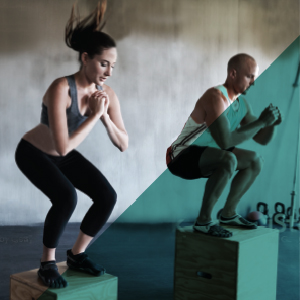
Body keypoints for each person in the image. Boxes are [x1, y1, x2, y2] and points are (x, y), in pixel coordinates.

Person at [15, 0, 128, 288]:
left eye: (113, 66)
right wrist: (94, 116)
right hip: (33, 152)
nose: (109, 72)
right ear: (86, 58)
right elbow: (63, 146)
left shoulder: (108, 94)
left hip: (63, 154)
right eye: (104, 63)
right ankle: (47, 263)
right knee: (66, 197)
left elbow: (123, 143)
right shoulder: (61, 88)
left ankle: (77, 255)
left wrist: (104, 119)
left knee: (107, 196)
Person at [166, 53, 282, 238]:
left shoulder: (242, 103)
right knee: (228, 159)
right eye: (249, 76)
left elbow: (262, 139)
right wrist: (261, 122)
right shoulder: (216, 97)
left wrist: (271, 123)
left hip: (208, 152)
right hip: (181, 156)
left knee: (255, 161)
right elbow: (225, 141)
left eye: (255, 77)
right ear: (233, 74)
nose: (253, 82)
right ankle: (203, 221)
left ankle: (228, 214)